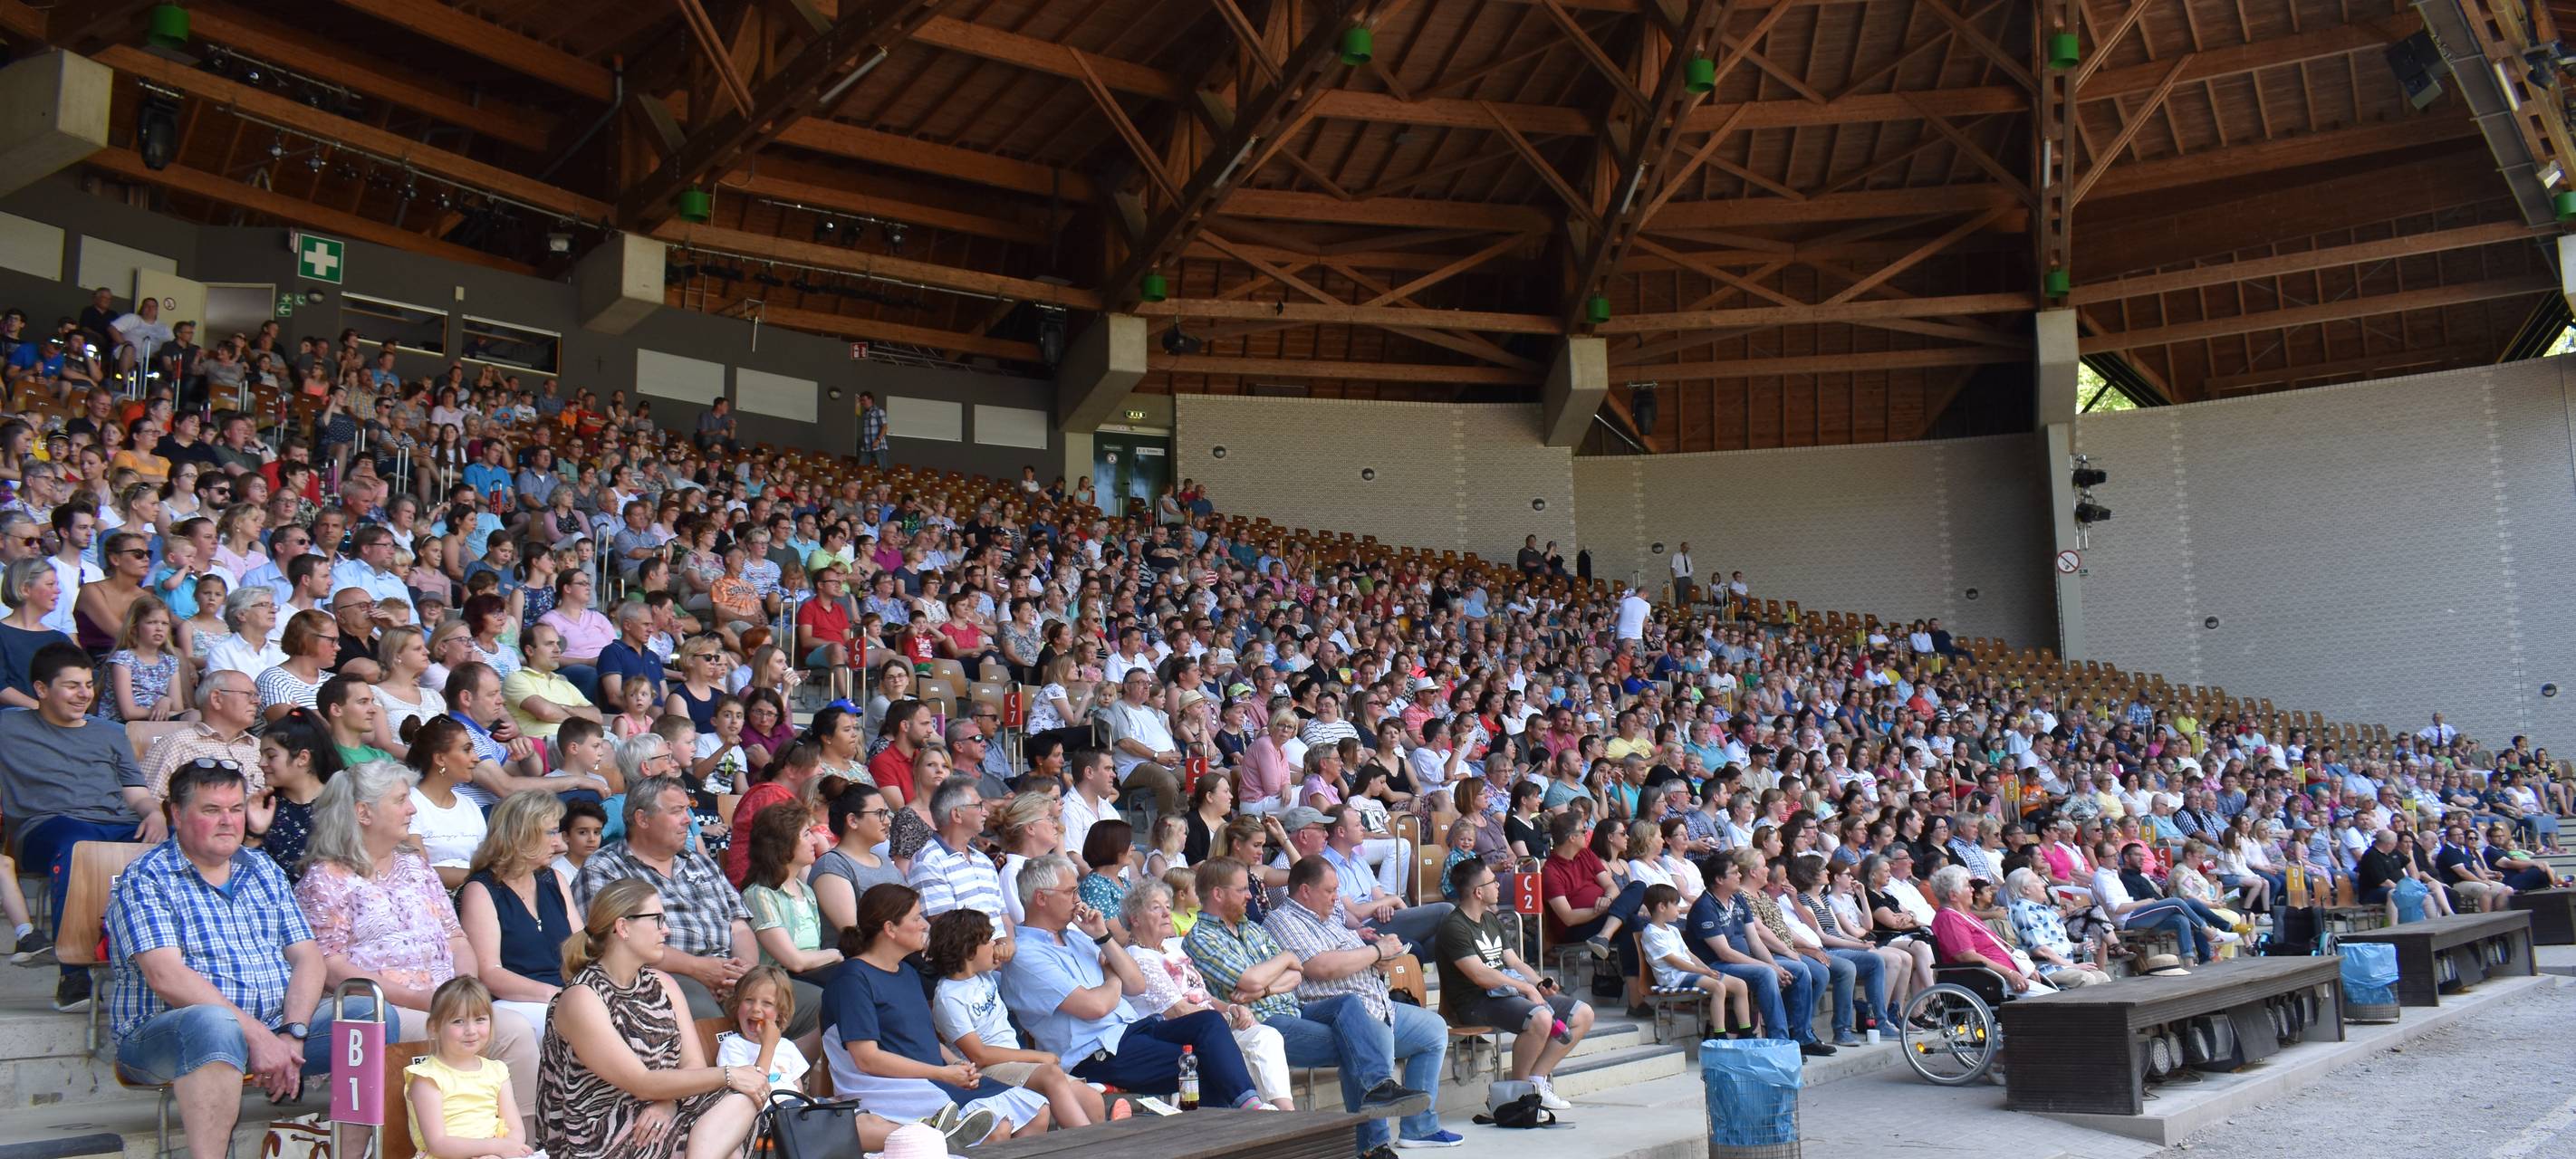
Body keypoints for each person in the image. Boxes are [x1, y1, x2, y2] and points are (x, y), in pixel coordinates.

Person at [104, 758, 368, 1159]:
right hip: (164, 1037)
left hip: (274, 1031)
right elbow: (167, 977)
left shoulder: (262, 869)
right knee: (213, 1023)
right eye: (212, 810)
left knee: (365, 1015)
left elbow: (309, 959)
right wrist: (259, 1036)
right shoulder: (146, 878)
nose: (229, 821)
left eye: (236, 808)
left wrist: (291, 1032)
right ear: (176, 814)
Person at [294, 761, 544, 1127]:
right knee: (461, 1032)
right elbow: (330, 965)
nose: (412, 809)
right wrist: (426, 1001)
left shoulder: (416, 867)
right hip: (388, 1009)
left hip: (444, 1002)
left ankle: (522, 1144)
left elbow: (455, 937)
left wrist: (464, 988)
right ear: (363, 813)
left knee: (514, 1031)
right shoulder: (325, 878)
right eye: (400, 801)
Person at [1000, 854, 1270, 1111]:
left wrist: (1103, 936)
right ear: (1041, 898)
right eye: (1070, 892)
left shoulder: (1078, 937)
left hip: (1131, 1032)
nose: (1078, 899)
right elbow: (1094, 1006)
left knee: (1210, 1023)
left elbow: (1136, 984)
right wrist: (1112, 975)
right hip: (1095, 1054)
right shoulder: (1027, 955)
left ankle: (1249, 1106)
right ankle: (1240, 1119)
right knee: (1202, 1064)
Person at [536, 878, 773, 1159]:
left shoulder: (663, 984)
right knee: (727, 1139)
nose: (667, 930)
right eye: (657, 920)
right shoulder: (582, 997)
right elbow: (642, 1082)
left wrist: (668, 1102)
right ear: (623, 927)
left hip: (661, 1109)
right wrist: (730, 1074)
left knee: (741, 1102)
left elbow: (693, 1064)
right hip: (599, 1133)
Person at [572, 775, 823, 1036]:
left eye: (688, 810)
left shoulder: (700, 864)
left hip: (729, 976)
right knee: (706, 1016)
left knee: (821, 1003)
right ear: (642, 819)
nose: (689, 820)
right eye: (677, 811)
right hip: (660, 978)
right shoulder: (605, 869)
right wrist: (699, 969)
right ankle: (727, 1073)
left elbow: (738, 926)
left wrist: (744, 972)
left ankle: (779, 1074)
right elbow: (613, 944)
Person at [823, 883, 1055, 1137]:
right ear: (890, 929)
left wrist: (957, 1064)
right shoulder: (852, 978)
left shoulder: (907, 973)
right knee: (995, 1129)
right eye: (915, 918)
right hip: (893, 1086)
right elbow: (867, 1058)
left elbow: (924, 1037)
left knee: (1037, 1111)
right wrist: (941, 1073)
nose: (924, 924)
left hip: (935, 1076)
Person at [1259, 855, 1459, 1146]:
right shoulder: (1283, 920)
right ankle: (1372, 1146)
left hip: (1378, 1003)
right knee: (1373, 1044)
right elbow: (1320, 966)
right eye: (1329, 891)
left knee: (1433, 1030)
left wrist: (1374, 961)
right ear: (1305, 890)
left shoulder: (1331, 916)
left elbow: (1351, 956)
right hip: (1335, 1010)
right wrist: (1375, 952)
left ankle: (1420, 1128)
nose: (1336, 897)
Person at [2, 643, 157, 1011]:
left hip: (117, 822)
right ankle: (73, 977)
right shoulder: (8, 726)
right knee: (76, 845)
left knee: (175, 850)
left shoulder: (108, 731)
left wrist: (154, 813)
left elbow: (136, 793)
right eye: (72, 686)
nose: (84, 694)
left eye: (88, 684)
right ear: (41, 689)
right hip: (47, 828)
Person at [1116, 880, 1296, 1111]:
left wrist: (1230, 1008)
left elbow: (1202, 995)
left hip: (1212, 1027)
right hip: (1179, 1035)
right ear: (1135, 919)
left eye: (1167, 906)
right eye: (1155, 908)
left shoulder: (1172, 948)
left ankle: (1286, 1113)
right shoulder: (1138, 957)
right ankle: (1254, 1110)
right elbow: (1177, 1010)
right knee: (1243, 1051)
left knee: (1266, 1036)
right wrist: (1226, 1018)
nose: (1166, 913)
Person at [1436, 857, 1594, 1108]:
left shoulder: (1490, 920)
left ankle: (1537, 1080)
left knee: (1583, 1014)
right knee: (1540, 1018)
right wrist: (1526, 988)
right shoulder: (1454, 927)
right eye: (1493, 881)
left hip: (1507, 994)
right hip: (1474, 1003)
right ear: (1478, 892)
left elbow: (1515, 963)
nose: (1498, 885)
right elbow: (1480, 976)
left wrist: (1539, 982)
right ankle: (1519, 1097)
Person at [925, 908, 1107, 1125]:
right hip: (986, 1071)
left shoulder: (982, 974)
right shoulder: (949, 997)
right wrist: (1037, 1056)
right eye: (988, 941)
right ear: (969, 950)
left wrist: (1004, 944)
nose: (995, 946)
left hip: (1014, 1064)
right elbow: (979, 1055)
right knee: (1050, 1074)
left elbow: (1008, 944)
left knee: (1092, 1099)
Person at [458, 790, 579, 1018]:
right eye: (551, 832)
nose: (559, 843)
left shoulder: (554, 880)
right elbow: (490, 974)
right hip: (516, 1002)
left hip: (565, 995)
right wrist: (556, 995)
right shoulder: (481, 890)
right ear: (521, 835)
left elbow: (581, 950)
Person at [404, 977, 534, 1159]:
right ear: (434, 1028)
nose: (471, 1030)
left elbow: (515, 1129)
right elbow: (439, 1144)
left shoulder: (497, 1071)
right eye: (458, 1021)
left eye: (480, 1019)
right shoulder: (427, 1078)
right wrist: (494, 1148)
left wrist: (500, 1152)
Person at [1638, 881, 1750, 1040]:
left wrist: (1707, 969)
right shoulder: (1651, 933)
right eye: (1676, 905)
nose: (1679, 909)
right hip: (1673, 978)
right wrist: (1703, 971)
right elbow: (1674, 962)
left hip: (1689, 973)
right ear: (1662, 907)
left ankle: (1746, 1032)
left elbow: (1688, 954)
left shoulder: (1673, 930)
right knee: (1718, 987)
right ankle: (1720, 1034)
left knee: (1740, 985)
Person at [1927, 865, 2055, 995]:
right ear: (1953, 895)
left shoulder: (1966, 915)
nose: (1972, 890)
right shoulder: (1949, 918)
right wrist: (2010, 973)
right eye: (1967, 886)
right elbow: (1967, 956)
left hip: (2006, 977)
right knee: (2053, 1002)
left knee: (2057, 998)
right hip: (1990, 980)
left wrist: (2026, 968)